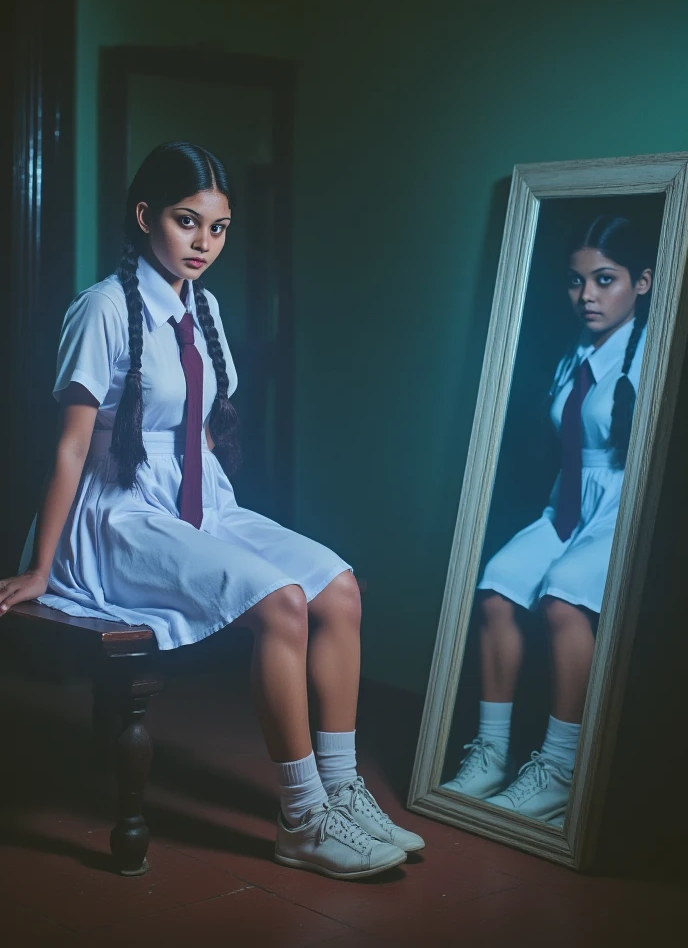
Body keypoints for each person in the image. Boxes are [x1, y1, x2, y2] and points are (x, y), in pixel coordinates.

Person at [0, 141, 424, 878]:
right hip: (118, 514)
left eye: (219, 228)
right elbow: (70, 449)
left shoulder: (208, 308)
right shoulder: (100, 309)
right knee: (283, 604)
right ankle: (303, 817)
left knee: (340, 589)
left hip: (200, 503)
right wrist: (40, 564)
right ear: (143, 217)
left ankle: (343, 788)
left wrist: (216, 519)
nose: (203, 243)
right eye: (186, 221)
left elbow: (196, 435)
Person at [443, 215, 652, 822]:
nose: (586, 295)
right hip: (568, 502)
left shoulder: (650, 356)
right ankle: (492, 754)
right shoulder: (574, 354)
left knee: (562, 599)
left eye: (604, 280)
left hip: (621, 502)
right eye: (576, 281)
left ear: (641, 283)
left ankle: (560, 770)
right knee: (497, 587)